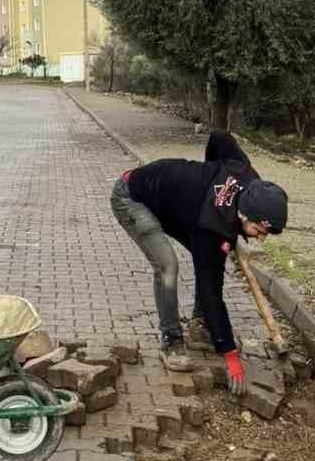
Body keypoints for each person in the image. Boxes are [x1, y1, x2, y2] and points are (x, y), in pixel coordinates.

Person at [110, 130, 288, 395]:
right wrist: (230, 354)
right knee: (169, 266)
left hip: (179, 206)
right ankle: (171, 342)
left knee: (210, 262)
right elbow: (211, 292)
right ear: (243, 214)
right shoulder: (212, 227)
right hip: (132, 198)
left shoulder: (245, 173)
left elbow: (220, 138)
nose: (260, 239)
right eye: (259, 232)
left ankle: (199, 325)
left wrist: (208, 175)